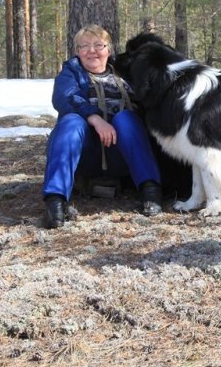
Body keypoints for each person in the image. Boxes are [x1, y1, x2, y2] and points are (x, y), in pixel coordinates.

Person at [42, 24, 163, 228]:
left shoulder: (126, 73)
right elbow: (66, 97)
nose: (92, 51)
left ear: (109, 49)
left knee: (125, 118)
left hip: (125, 153)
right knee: (71, 122)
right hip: (85, 153)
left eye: (99, 45)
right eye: (84, 46)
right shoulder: (70, 73)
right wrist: (96, 119)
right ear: (77, 52)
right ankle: (55, 200)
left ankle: (151, 190)